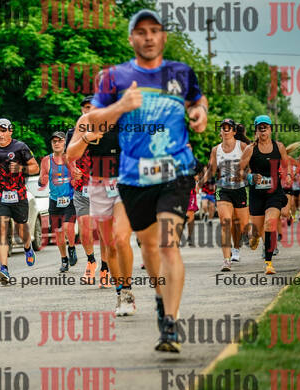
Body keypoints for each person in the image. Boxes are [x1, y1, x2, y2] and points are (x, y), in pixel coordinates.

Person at [73, 9, 208, 351]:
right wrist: (121, 106)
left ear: (163, 36)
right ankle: (161, 300)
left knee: (167, 244)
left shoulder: (181, 72)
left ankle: (170, 324)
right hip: (133, 178)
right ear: (131, 38)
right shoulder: (114, 78)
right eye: (141, 31)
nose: (148, 37)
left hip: (176, 172)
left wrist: (199, 112)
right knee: (148, 248)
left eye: (155, 31)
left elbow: (197, 99)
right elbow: (92, 121)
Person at [67, 121, 136, 316]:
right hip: (99, 187)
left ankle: (128, 292)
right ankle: (120, 292)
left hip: (125, 184)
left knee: (121, 238)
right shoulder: (87, 122)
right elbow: (71, 155)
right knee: (110, 245)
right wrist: (86, 137)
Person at [0, 118, 40, 284]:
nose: (0, 134)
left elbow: (35, 167)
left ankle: (27, 247)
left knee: (22, 228)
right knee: (1, 230)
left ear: (10, 131)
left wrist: (21, 168)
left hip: (18, 195)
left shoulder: (20, 147)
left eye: (3, 131)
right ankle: (4, 269)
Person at [239, 115, 290, 275]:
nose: (263, 131)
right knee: (256, 232)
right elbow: (239, 171)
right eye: (260, 128)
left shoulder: (279, 147)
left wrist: (287, 175)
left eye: (265, 127)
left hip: (274, 193)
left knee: (270, 223)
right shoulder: (250, 149)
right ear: (256, 130)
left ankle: (269, 263)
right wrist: (250, 177)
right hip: (257, 195)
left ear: (270, 129)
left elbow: (286, 166)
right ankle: (253, 237)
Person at [202, 118, 249, 271]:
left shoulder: (242, 146)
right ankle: (226, 260)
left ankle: (239, 244)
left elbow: (251, 166)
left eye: (229, 127)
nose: (226, 130)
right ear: (221, 132)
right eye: (223, 127)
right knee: (225, 223)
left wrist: (245, 175)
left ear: (234, 131)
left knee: (243, 226)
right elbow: (211, 170)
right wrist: (199, 183)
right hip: (223, 189)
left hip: (240, 189)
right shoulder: (216, 150)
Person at [65, 96, 99, 283]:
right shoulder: (73, 132)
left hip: (104, 187)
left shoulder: (107, 130)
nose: (89, 111)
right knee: (85, 229)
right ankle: (91, 261)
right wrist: (73, 170)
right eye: (86, 107)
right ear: (82, 111)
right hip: (82, 187)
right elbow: (68, 157)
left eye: (92, 107)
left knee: (105, 231)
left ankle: (106, 267)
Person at [39, 132, 78, 272]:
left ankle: (72, 248)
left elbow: (76, 178)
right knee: (58, 233)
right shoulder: (46, 160)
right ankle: (64, 259)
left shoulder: (71, 158)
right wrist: (42, 180)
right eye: (54, 141)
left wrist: (75, 180)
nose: (56, 143)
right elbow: (42, 179)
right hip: (54, 201)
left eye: (59, 141)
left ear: (65, 143)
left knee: (67, 227)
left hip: (70, 199)